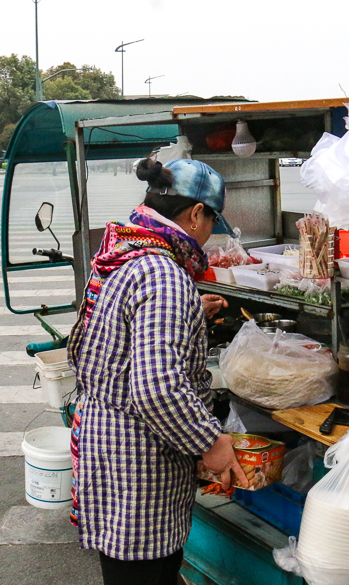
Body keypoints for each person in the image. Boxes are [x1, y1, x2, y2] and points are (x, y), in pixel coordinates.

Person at [68, 157, 243, 585]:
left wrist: (186, 313)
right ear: (197, 213)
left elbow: (121, 330)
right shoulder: (165, 276)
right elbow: (157, 390)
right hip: (138, 463)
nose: (209, 233)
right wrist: (211, 442)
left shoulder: (132, 251)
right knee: (144, 573)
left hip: (109, 443)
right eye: (211, 221)